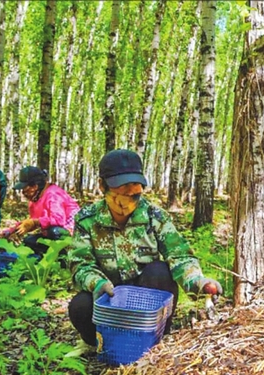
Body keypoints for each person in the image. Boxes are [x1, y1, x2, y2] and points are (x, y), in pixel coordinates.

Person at [67, 149, 222, 355]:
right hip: (111, 297)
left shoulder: (154, 216)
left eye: (135, 194)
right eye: (121, 194)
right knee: (80, 306)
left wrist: (198, 281)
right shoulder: (88, 219)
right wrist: (97, 283)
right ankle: (100, 344)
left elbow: (179, 254)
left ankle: (155, 341)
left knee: (160, 272)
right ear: (102, 186)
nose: (128, 202)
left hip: (146, 296)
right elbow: (80, 263)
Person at [1, 166, 80, 255]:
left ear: (35, 186)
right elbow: (34, 221)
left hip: (72, 235)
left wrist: (34, 222)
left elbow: (58, 220)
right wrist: (12, 230)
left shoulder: (53, 194)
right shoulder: (35, 200)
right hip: (53, 234)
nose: (24, 193)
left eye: (25, 190)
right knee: (29, 241)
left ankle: (64, 259)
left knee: (54, 232)